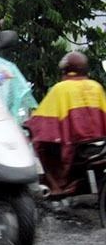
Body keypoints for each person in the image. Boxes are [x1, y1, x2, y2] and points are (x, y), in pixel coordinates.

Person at [25, 51, 106, 195]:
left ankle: (56, 187)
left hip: (76, 149)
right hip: (100, 144)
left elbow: (42, 123)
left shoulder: (60, 88)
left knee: (40, 145)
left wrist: (29, 124)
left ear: (65, 70)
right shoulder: (96, 86)